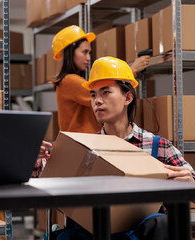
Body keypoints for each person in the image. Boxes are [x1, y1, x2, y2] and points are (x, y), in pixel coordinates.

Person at [54, 56, 194, 240]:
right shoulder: (84, 150)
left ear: (127, 97)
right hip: (96, 233)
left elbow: (190, 184)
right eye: (94, 94)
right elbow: (49, 186)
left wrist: (190, 184)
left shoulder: (157, 146)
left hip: (143, 233)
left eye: (105, 92)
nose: (97, 101)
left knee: (162, 224)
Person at [52, 25, 151, 134]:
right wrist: (131, 70)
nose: (88, 58)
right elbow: (104, 89)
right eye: (84, 52)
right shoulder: (68, 81)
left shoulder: (69, 81)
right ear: (69, 52)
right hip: (81, 144)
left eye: (89, 53)